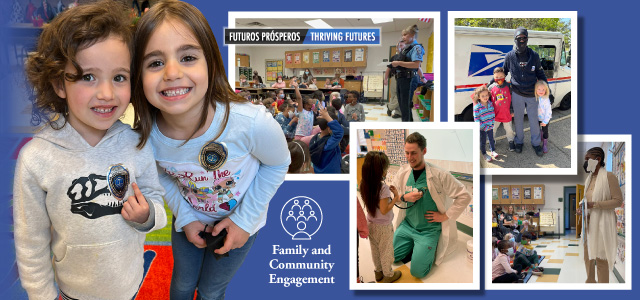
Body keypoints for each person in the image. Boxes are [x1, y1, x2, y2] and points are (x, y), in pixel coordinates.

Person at [131, 1, 290, 298]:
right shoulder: (147, 137)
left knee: (211, 290)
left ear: (211, 63)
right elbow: (160, 175)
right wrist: (186, 217)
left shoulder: (250, 122)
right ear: (137, 76)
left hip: (241, 223)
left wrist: (244, 221)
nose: (172, 73)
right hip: (190, 221)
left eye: (188, 57)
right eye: (155, 63)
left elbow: (278, 163)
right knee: (180, 286)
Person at [15, 2, 167, 299]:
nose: (107, 93)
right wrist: (42, 295)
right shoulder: (36, 159)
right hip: (73, 292)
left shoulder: (137, 143)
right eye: (88, 76)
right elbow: (30, 242)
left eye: (119, 77)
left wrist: (148, 215)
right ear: (59, 82)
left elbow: (156, 200)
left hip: (129, 285)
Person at [392, 132, 472, 278]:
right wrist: (404, 197)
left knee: (417, 272)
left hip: (428, 230)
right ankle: (414, 246)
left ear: (424, 151)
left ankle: (422, 248)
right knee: (390, 257)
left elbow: (465, 195)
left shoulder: (439, 174)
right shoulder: (403, 172)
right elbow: (392, 197)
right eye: (407, 153)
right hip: (407, 224)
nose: (410, 158)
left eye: (414, 153)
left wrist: (445, 216)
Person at [577, 147, 623, 283]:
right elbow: (587, 201)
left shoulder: (609, 177)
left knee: (601, 259)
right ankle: (591, 282)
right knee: (588, 257)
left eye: (587, 159)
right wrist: (583, 208)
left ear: (598, 159)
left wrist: (594, 205)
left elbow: (618, 201)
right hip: (588, 225)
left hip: (602, 224)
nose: (585, 162)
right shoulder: (589, 179)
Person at [502, 27, 547, 156]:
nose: (521, 40)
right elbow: (503, 72)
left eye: (524, 38)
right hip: (517, 93)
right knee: (519, 120)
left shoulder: (534, 56)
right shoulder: (509, 56)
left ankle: (536, 143)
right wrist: (491, 83)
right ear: (515, 39)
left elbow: (540, 73)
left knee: (533, 120)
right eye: (519, 38)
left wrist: (547, 91)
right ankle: (519, 142)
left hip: (532, 94)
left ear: (527, 39)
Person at [360, 151, 402, 283]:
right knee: (386, 251)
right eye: (385, 169)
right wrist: (395, 198)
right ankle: (388, 275)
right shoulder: (383, 188)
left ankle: (378, 272)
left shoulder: (364, 183)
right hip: (383, 227)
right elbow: (384, 210)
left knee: (376, 250)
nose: (386, 171)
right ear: (380, 171)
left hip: (370, 223)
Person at [390, 25, 425, 122]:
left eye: (405, 35)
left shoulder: (416, 48)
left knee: (405, 105)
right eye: (402, 35)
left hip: (409, 79)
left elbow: (416, 64)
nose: (403, 37)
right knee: (402, 106)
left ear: (413, 35)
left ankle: (407, 124)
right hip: (401, 79)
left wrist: (398, 63)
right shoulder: (406, 49)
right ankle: (406, 122)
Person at [308, 108, 343, 174]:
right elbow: (339, 132)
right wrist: (327, 116)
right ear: (329, 128)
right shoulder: (328, 143)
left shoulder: (314, 138)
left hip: (318, 171)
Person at [489, 67, 515, 152]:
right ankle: (492, 141)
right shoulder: (491, 87)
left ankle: (511, 141)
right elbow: (487, 100)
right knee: (492, 129)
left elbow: (512, 99)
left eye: (501, 76)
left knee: (509, 129)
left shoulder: (509, 86)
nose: (499, 78)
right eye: (496, 77)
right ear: (494, 77)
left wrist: (512, 110)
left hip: (506, 113)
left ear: (504, 76)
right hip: (495, 114)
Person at [472, 85, 497, 162]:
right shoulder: (477, 107)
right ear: (478, 97)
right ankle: (484, 154)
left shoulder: (490, 103)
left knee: (491, 139)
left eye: (486, 95)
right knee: (482, 141)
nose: (485, 97)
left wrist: (492, 124)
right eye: (483, 96)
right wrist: (485, 127)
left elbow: (493, 114)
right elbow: (477, 120)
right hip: (482, 129)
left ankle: (493, 150)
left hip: (490, 126)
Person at [384, 40, 406, 119]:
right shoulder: (394, 57)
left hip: (403, 77)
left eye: (401, 45)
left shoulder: (408, 57)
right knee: (394, 95)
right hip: (394, 77)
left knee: (400, 95)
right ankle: (398, 112)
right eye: (397, 46)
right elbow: (388, 68)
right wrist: (386, 79)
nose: (399, 48)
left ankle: (390, 107)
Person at [536, 80, 552, 153]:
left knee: (545, 131)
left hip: (545, 119)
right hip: (537, 118)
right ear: (535, 90)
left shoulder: (546, 99)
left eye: (543, 89)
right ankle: (541, 136)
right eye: (539, 89)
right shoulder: (534, 98)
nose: (541, 91)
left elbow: (548, 111)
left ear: (546, 90)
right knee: (538, 130)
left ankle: (545, 144)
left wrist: (545, 121)